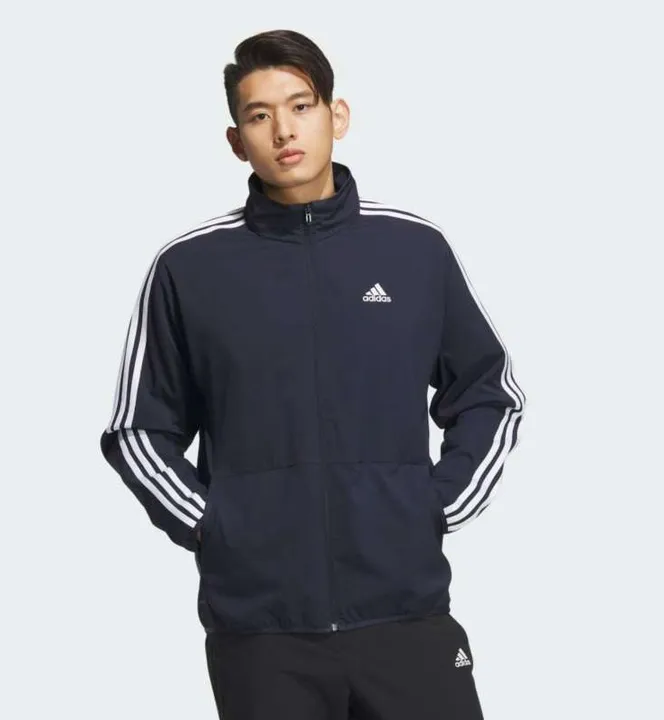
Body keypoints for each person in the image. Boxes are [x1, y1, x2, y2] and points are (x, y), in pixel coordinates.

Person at [99, 28, 526, 720]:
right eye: (259, 115)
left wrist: (437, 505)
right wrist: (214, 525)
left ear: (338, 116)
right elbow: (138, 429)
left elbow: (488, 392)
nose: (283, 131)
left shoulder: (414, 249)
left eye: (301, 106)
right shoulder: (190, 268)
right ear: (236, 140)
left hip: (407, 612)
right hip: (263, 632)